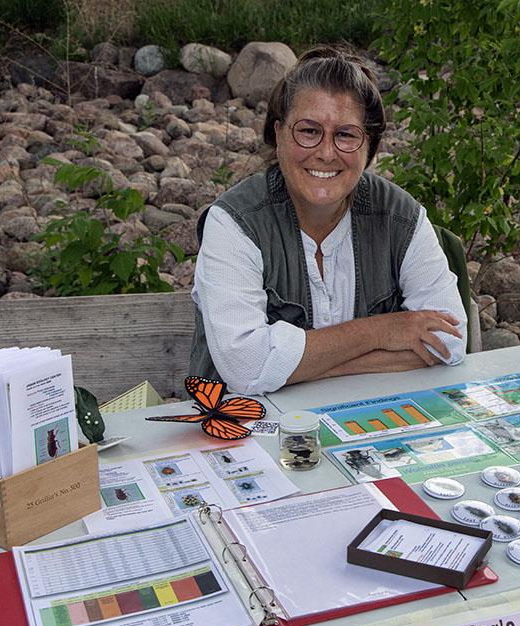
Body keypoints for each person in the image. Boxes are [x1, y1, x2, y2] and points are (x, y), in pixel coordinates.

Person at [190, 46, 467, 396]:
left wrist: (301, 367)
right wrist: (385, 331)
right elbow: (246, 367)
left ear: (369, 146)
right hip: (241, 436)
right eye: (308, 131)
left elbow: (450, 341)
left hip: (370, 422)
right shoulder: (234, 222)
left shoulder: (400, 215)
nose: (326, 152)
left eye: (346, 135)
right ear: (278, 133)